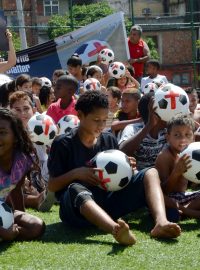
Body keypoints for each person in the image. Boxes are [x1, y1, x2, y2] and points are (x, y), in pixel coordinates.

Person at [47, 90, 181, 246]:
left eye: (105, 120)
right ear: (80, 115)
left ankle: (161, 222)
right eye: (96, 120)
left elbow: (119, 177)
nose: (101, 125)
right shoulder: (63, 143)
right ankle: (115, 230)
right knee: (75, 188)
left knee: (150, 172)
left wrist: (127, 167)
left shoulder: (108, 139)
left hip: (108, 204)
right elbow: (52, 185)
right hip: (76, 212)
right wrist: (76, 173)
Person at [0, 108, 45, 241]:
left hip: (3, 212)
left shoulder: (23, 159)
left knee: (36, 226)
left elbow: (16, 189)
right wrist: (3, 231)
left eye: (2, 132)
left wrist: (21, 216)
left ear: (15, 136)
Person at [9, 91, 54, 211]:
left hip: (40, 178)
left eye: (26, 108)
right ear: (10, 111)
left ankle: (47, 194)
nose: (22, 113)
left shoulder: (43, 130)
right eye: (17, 110)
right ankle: (36, 201)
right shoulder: (7, 134)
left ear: (33, 110)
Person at [155, 114, 200, 219]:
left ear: (193, 137)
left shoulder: (192, 153)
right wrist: (176, 172)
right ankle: (185, 212)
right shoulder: (165, 156)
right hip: (169, 199)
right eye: (177, 135)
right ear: (168, 137)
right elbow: (162, 191)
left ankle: (182, 211)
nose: (183, 139)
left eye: (187, 135)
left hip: (183, 196)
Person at [119, 92, 167, 171]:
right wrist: (149, 125)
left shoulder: (167, 130)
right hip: (139, 175)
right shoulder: (133, 129)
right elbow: (122, 152)